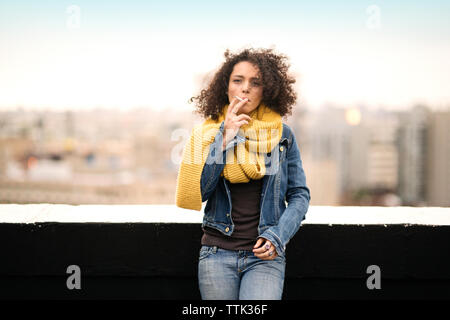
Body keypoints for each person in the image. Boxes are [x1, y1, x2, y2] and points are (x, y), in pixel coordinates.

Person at [175, 47, 310, 300]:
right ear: (226, 87)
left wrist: (277, 237)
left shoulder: (283, 135)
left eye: (255, 82)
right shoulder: (206, 135)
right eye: (238, 80)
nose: (245, 88)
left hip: (265, 256)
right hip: (216, 254)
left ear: (266, 90)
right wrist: (224, 139)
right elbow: (201, 192)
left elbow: (300, 196)